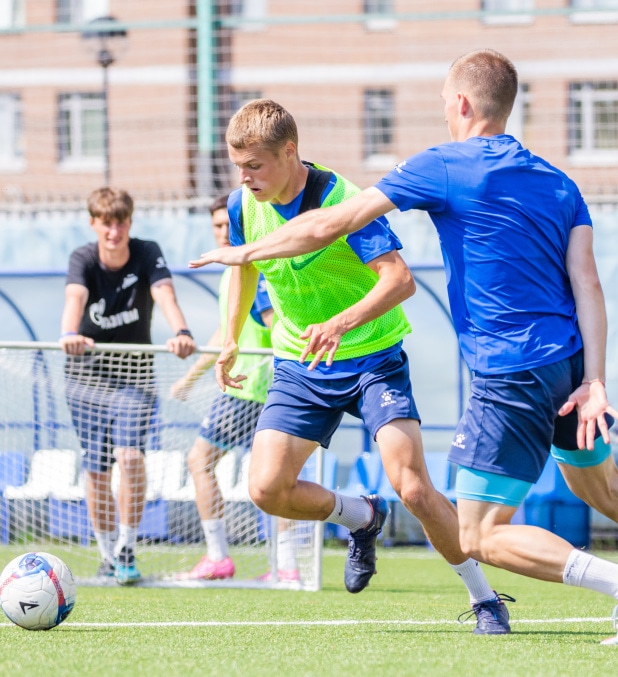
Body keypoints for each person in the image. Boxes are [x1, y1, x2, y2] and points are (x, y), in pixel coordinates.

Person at [189, 51, 618, 645]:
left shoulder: (444, 165)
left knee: (478, 533)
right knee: (606, 487)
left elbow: (331, 224)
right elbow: (589, 283)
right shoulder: (560, 182)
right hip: (570, 366)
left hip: (508, 372)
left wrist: (242, 253)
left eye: (443, 104)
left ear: (460, 103)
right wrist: (596, 381)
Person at [192, 98, 512, 634]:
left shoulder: (341, 200)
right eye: (238, 166)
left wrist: (341, 323)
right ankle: (362, 516)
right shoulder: (242, 206)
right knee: (267, 489)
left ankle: (486, 599)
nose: (244, 178)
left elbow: (400, 280)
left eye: (254, 166)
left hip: (372, 358)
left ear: (289, 152)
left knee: (414, 487)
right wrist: (229, 337)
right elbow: (246, 267)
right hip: (301, 363)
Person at [61, 187, 197, 585]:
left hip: (134, 377)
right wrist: (68, 334)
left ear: (130, 223)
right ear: (93, 224)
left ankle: (126, 547)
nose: (114, 231)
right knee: (97, 468)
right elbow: (74, 298)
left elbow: (164, 293)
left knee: (131, 457)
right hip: (85, 378)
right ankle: (106, 554)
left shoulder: (147, 252)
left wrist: (182, 332)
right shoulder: (83, 258)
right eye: (106, 223)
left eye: (120, 223)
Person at [171, 195, 299, 582]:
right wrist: (190, 378)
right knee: (275, 478)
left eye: (229, 225)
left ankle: (218, 557)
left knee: (200, 461)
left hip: (249, 389)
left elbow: (279, 324)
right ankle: (287, 567)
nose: (224, 232)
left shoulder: (252, 269)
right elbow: (225, 334)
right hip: (255, 388)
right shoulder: (233, 271)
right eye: (217, 226)